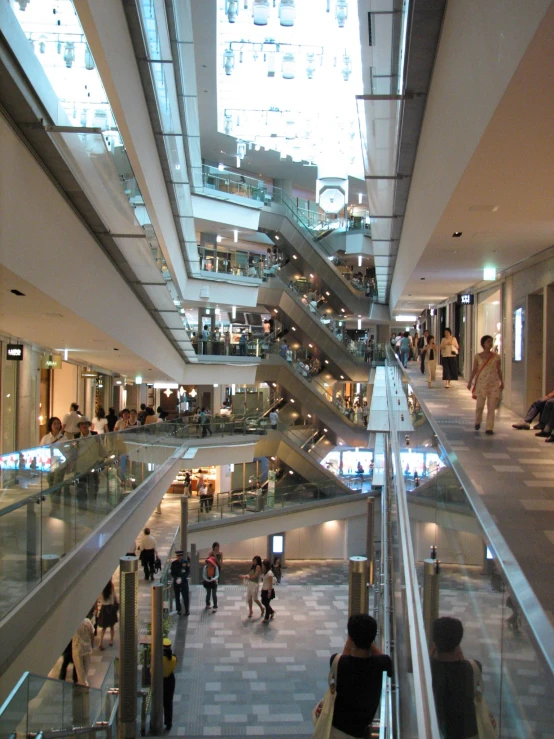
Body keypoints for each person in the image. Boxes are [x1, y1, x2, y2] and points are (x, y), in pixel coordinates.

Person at [315, 614, 392, 739]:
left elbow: (343, 659)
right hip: (360, 731)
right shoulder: (383, 663)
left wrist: (350, 642)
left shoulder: (337, 661)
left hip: (336, 729)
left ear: (350, 638)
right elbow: (382, 658)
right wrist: (368, 641)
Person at [431, 616, 487, 739]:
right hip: (468, 732)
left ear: (434, 641)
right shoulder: (474, 667)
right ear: (458, 642)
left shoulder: (430, 669)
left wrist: (431, 653)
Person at [467, 335, 504, 434]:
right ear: (483, 343)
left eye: (491, 342)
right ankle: (477, 421)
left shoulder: (496, 357)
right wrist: (470, 381)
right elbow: (474, 369)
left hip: (493, 384)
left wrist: (502, 381)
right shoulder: (478, 356)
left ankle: (489, 427)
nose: (490, 343)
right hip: (481, 384)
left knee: (491, 407)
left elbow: (499, 370)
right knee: (480, 405)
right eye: (488, 342)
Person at [73, 417, 104, 509]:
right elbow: (73, 452)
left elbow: (101, 448)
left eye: (86, 424)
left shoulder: (95, 435)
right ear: (79, 426)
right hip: (80, 466)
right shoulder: (76, 437)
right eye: (82, 424)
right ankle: (82, 506)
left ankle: (92, 504)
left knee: (93, 486)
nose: (84, 426)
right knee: (81, 488)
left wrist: (102, 459)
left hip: (93, 464)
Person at [72, 611, 95, 686]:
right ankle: (84, 685)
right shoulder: (87, 621)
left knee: (80, 671)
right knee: (86, 670)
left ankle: (84, 687)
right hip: (87, 648)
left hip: (77, 649)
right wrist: (92, 644)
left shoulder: (73, 623)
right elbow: (92, 633)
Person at [97, 580, 118, 650]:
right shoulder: (111, 588)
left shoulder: (102, 588)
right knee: (112, 626)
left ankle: (100, 642)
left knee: (104, 627)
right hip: (110, 608)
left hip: (103, 608)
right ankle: (111, 640)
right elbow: (113, 598)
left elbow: (99, 599)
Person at [162, 638, 177, 731]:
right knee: (168, 702)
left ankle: (155, 722)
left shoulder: (159, 660)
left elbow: (152, 671)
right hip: (170, 680)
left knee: (159, 700)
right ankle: (168, 722)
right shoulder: (174, 659)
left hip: (161, 681)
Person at [170, 550, 190, 616]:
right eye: (178, 556)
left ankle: (187, 610)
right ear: (177, 556)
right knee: (177, 596)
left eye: (180, 556)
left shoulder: (186, 562)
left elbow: (187, 572)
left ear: (182, 556)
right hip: (177, 582)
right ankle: (178, 609)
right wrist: (176, 578)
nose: (179, 557)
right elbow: (172, 573)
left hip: (184, 581)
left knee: (185, 596)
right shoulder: (174, 563)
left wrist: (182, 578)